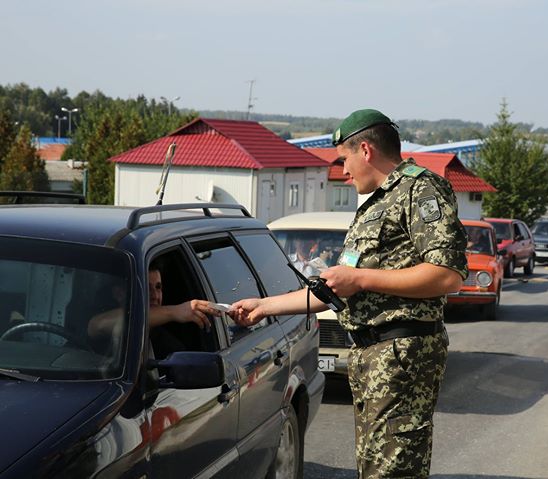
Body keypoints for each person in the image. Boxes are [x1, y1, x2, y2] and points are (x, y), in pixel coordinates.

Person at [229, 109, 468, 478]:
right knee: (374, 469)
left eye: (344, 159)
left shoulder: (420, 190)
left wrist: (362, 279)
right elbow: (336, 290)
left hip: (400, 355)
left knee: (393, 473)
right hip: (372, 357)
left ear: (366, 150)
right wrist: (264, 306)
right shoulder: (374, 204)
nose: (343, 171)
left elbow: (447, 275)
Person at [88, 263, 218, 340]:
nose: (155, 295)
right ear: (119, 294)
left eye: (158, 287)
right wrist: (174, 311)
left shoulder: (169, 346)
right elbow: (97, 324)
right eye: (146, 287)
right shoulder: (106, 333)